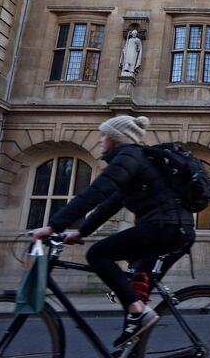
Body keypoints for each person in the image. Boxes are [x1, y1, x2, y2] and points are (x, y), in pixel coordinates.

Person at [32, 115, 195, 349]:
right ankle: (132, 338)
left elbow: (97, 191)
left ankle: (137, 313)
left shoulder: (128, 156)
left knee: (98, 255)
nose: (100, 140)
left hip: (163, 228)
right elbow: (111, 202)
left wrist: (53, 226)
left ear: (116, 138)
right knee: (136, 292)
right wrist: (81, 232)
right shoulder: (138, 160)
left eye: (104, 135)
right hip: (179, 231)